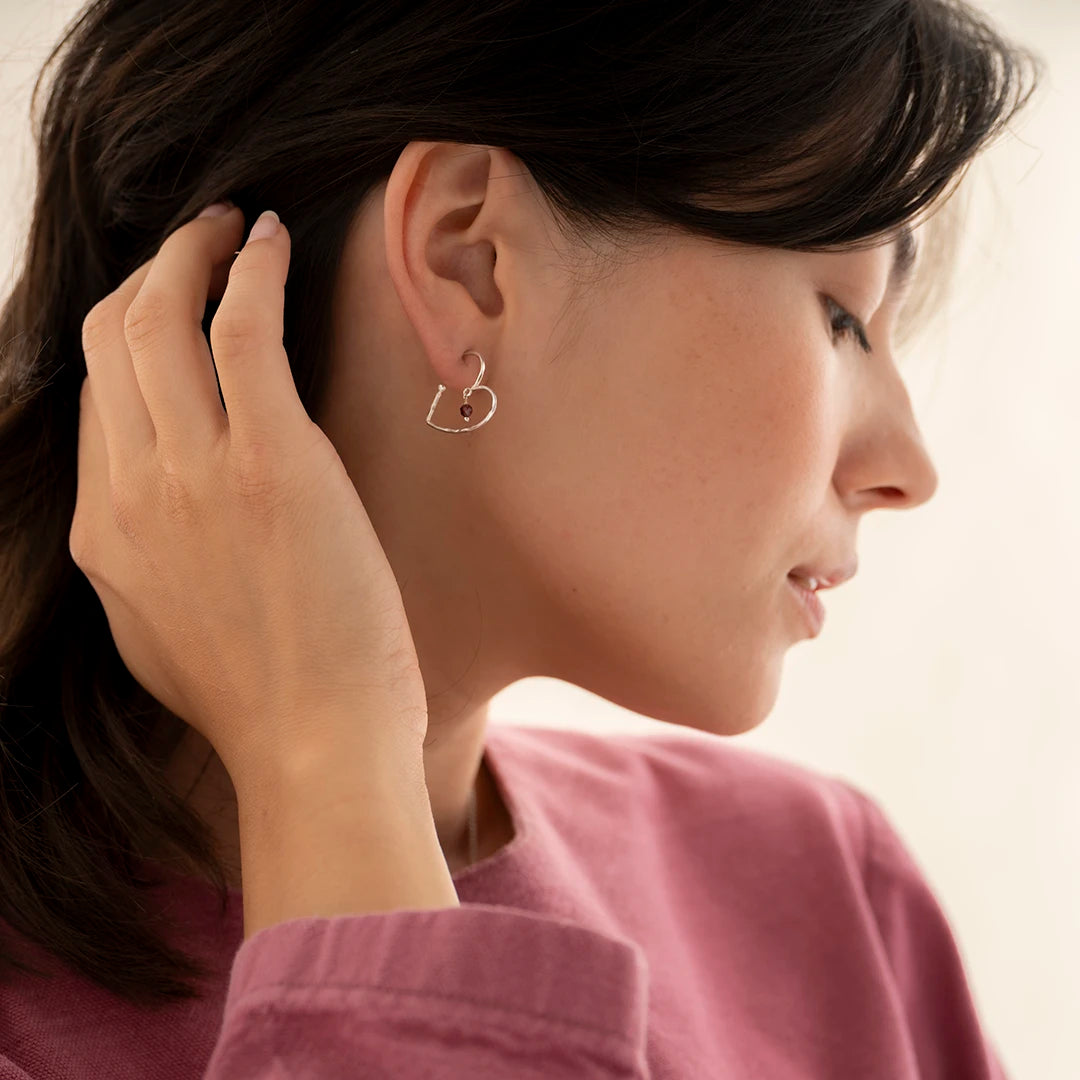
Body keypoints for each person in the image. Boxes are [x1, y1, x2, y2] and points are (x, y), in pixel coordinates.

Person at [0, 0, 1040, 1076]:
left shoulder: (826, 899)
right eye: (842, 315)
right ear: (471, 259)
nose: (906, 468)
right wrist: (326, 755)